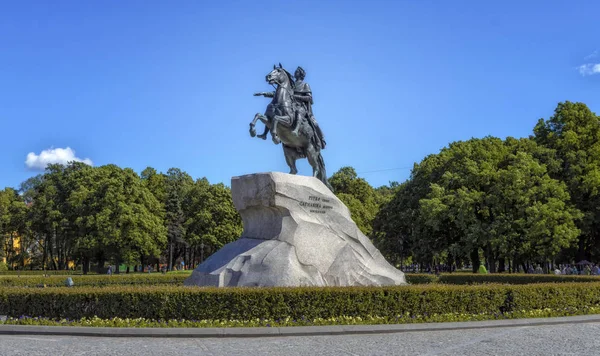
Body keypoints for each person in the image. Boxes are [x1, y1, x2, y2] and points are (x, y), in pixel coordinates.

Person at [290, 66, 326, 149]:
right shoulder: (291, 85)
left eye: (297, 72)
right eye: (295, 72)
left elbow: (309, 98)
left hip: (302, 108)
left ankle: (321, 139)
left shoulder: (305, 85)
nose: (295, 73)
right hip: (291, 107)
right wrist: (266, 94)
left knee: (315, 124)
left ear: (301, 74)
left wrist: (295, 96)